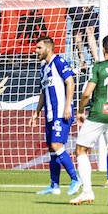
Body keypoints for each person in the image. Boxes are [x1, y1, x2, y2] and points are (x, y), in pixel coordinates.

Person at [70, 33, 108, 206]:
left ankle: (87, 191)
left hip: (97, 114)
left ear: (103, 50)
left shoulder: (99, 67)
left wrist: (80, 110)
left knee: (81, 150)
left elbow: (87, 93)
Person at [33, 35, 81, 196]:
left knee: (56, 145)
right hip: (50, 114)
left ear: (48, 47)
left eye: (39, 47)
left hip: (61, 112)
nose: (36, 50)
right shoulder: (43, 68)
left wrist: (68, 105)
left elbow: (70, 82)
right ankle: (54, 186)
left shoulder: (59, 62)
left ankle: (75, 178)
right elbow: (43, 92)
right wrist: (36, 112)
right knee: (52, 149)